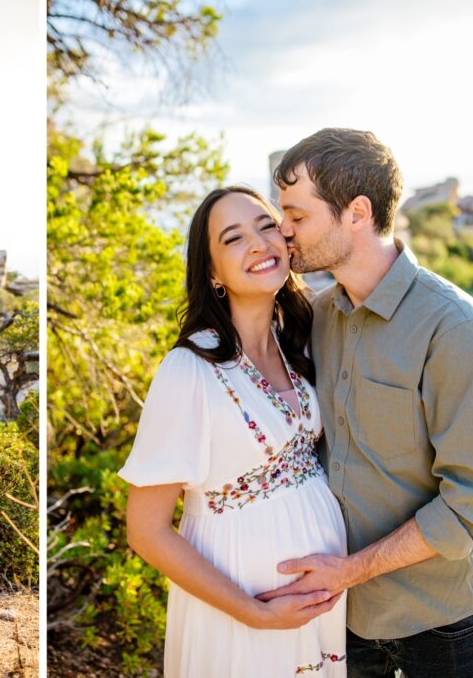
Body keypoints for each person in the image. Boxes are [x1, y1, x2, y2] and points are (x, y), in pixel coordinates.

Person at [263, 127, 473, 677]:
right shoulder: (320, 316)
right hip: (342, 618)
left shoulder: (457, 328)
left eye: (298, 217)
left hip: (441, 623)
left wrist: (350, 570)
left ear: (356, 212)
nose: (284, 232)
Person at [120, 186, 348, 677]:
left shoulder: (301, 344)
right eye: (233, 238)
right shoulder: (190, 369)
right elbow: (146, 530)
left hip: (321, 612)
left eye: (266, 226)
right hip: (241, 612)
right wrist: (257, 614)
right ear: (212, 273)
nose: (258, 244)